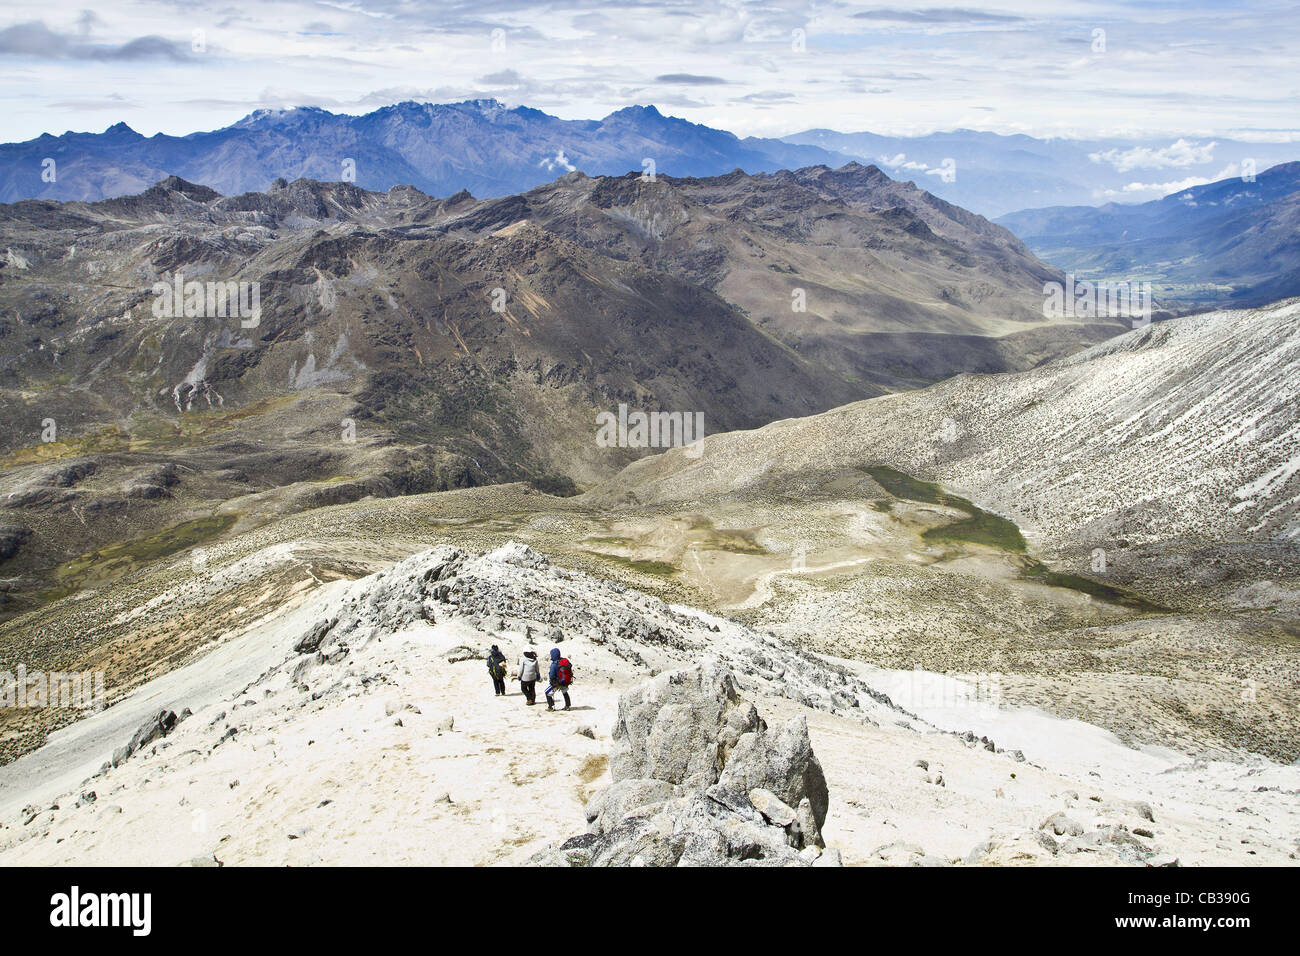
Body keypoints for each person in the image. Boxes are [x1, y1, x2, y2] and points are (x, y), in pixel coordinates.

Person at [545, 647, 572, 711]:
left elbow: (552, 675)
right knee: (565, 692)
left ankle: (550, 707)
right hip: (565, 681)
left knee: (547, 693)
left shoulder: (554, 664)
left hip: (557, 682)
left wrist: (551, 681)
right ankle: (567, 706)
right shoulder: (563, 661)